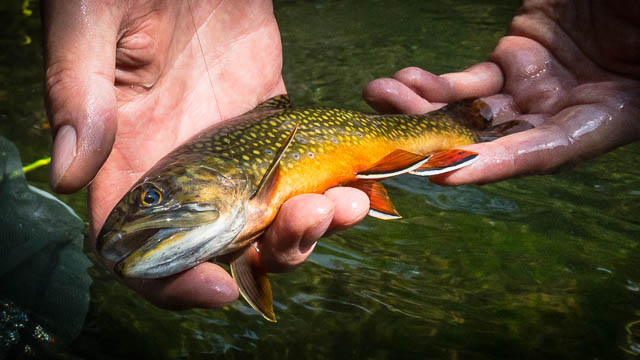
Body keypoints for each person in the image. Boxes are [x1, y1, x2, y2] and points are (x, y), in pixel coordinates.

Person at [42, 0, 639, 310]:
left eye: (154, 197)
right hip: (294, 160)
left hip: (338, 139)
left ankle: (455, 128)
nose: (150, 205)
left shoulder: (255, 180)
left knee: (410, 149)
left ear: (226, 177)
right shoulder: (240, 201)